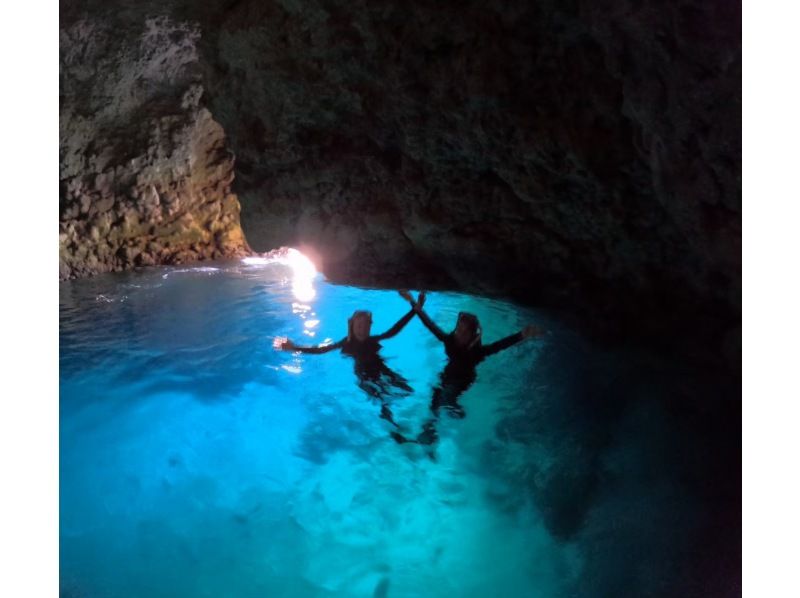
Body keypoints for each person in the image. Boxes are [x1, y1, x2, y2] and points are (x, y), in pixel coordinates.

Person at [393, 290, 543, 445]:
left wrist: (522, 335)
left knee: (446, 397)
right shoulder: (449, 340)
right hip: (447, 375)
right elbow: (429, 324)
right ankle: (429, 431)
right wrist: (412, 300)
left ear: (472, 336)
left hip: (463, 380)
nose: (459, 333)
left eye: (464, 332)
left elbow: (499, 346)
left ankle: (453, 408)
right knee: (435, 400)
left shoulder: (476, 353)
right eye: (459, 329)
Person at [273, 296, 424, 425]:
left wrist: (414, 311)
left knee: (407, 390)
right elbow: (321, 350)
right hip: (363, 375)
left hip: (380, 367)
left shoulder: (372, 340)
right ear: (353, 326)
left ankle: (405, 409)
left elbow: (394, 330)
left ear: (370, 326)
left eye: (366, 326)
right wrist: (295, 347)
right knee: (379, 395)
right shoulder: (346, 343)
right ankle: (386, 412)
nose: (362, 329)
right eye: (359, 326)